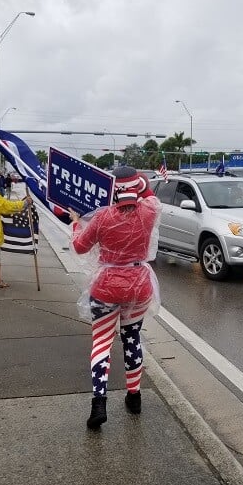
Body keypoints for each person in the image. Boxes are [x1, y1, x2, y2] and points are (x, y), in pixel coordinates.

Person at [68, 166, 161, 429]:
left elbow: (79, 246)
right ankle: (134, 396)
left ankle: (99, 402)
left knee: (102, 342)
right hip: (139, 284)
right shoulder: (150, 211)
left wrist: (76, 222)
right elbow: (149, 192)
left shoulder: (101, 217)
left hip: (106, 287)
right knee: (132, 338)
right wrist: (138, 184)